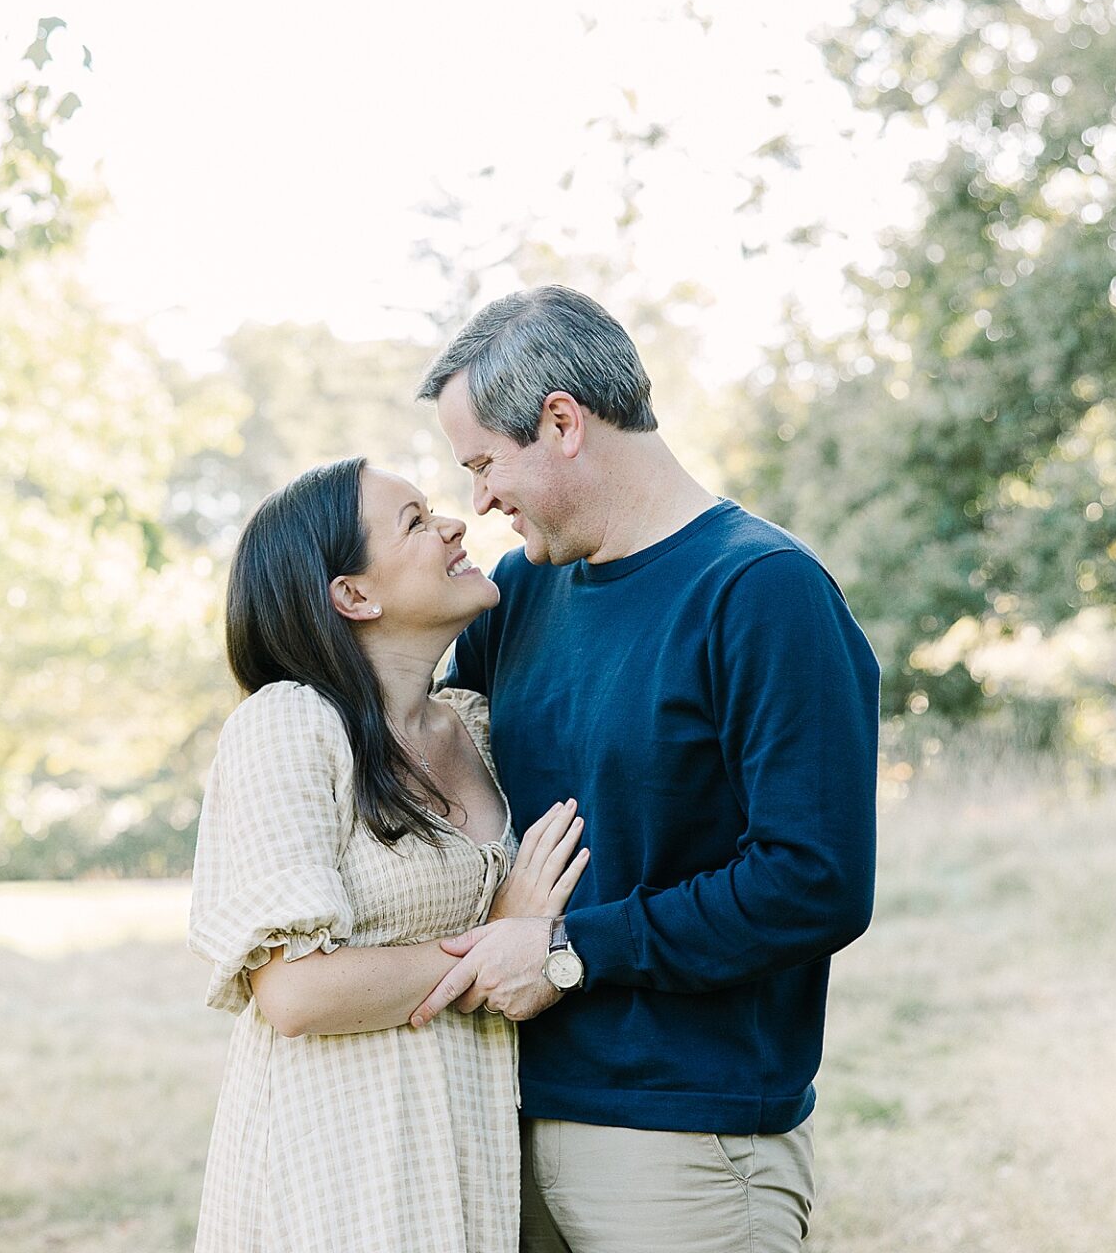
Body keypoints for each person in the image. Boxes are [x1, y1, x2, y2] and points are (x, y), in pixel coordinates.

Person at [407, 285, 880, 1253]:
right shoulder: (519, 591)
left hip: (683, 1149)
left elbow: (815, 881)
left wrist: (569, 948)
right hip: (506, 1116)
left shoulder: (763, 594)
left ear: (563, 422)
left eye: (485, 463)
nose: (479, 500)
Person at [188, 455, 591, 1253]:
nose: (454, 523)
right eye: (414, 521)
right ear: (354, 595)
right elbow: (296, 993)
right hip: (335, 1167)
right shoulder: (290, 727)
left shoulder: (473, 726)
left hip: (467, 1149)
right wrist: (496, 946)